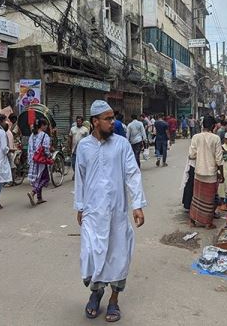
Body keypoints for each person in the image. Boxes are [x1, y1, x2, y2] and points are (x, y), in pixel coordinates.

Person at [74, 100, 147, 322]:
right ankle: (96, 293)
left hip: (117, 212)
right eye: (107, 119)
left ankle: (114, 300)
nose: (112, 122)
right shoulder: (84, 147)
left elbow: (132, 174)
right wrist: (79, 206)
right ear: (95, 122)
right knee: (92, 254)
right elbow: (80, 178)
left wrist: (137, 205)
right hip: (92, 212)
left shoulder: (122, 145)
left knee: (117, 255)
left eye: (112, 118)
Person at [188, 116, 224, 229]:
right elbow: (219, 159)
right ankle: (208, 223)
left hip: (199, 171)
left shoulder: (196, 137)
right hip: (211, 173)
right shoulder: (216, 138)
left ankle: (193, 220)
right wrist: (221, 174)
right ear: (213, 126)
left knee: (197, 197)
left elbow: (191, 155)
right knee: (209, 199)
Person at [27, 118, 51, 206]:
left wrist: (30, 160)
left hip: (33, 160)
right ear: (42, 125)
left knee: (38, 178)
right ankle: (33, 192)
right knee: (45, 178)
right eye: (46, 125)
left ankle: (39, 198)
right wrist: (49, 156)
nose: (47, 127)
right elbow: (46, 149)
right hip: (41, 160)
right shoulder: (44, 135)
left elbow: (29, 149)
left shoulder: (32, 135)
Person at [69, 116, 89, 180]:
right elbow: (70, 138)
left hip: (82, 149)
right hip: (74, 149)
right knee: (73, 163)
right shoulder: (72, 129)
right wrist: (69, 147)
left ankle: (80, 175)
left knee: (81, 163)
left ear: (82, 122)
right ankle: (75, 173)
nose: (78, 122)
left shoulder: (85, 129)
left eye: (80, 121)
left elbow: (88, 140)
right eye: (77, 121)